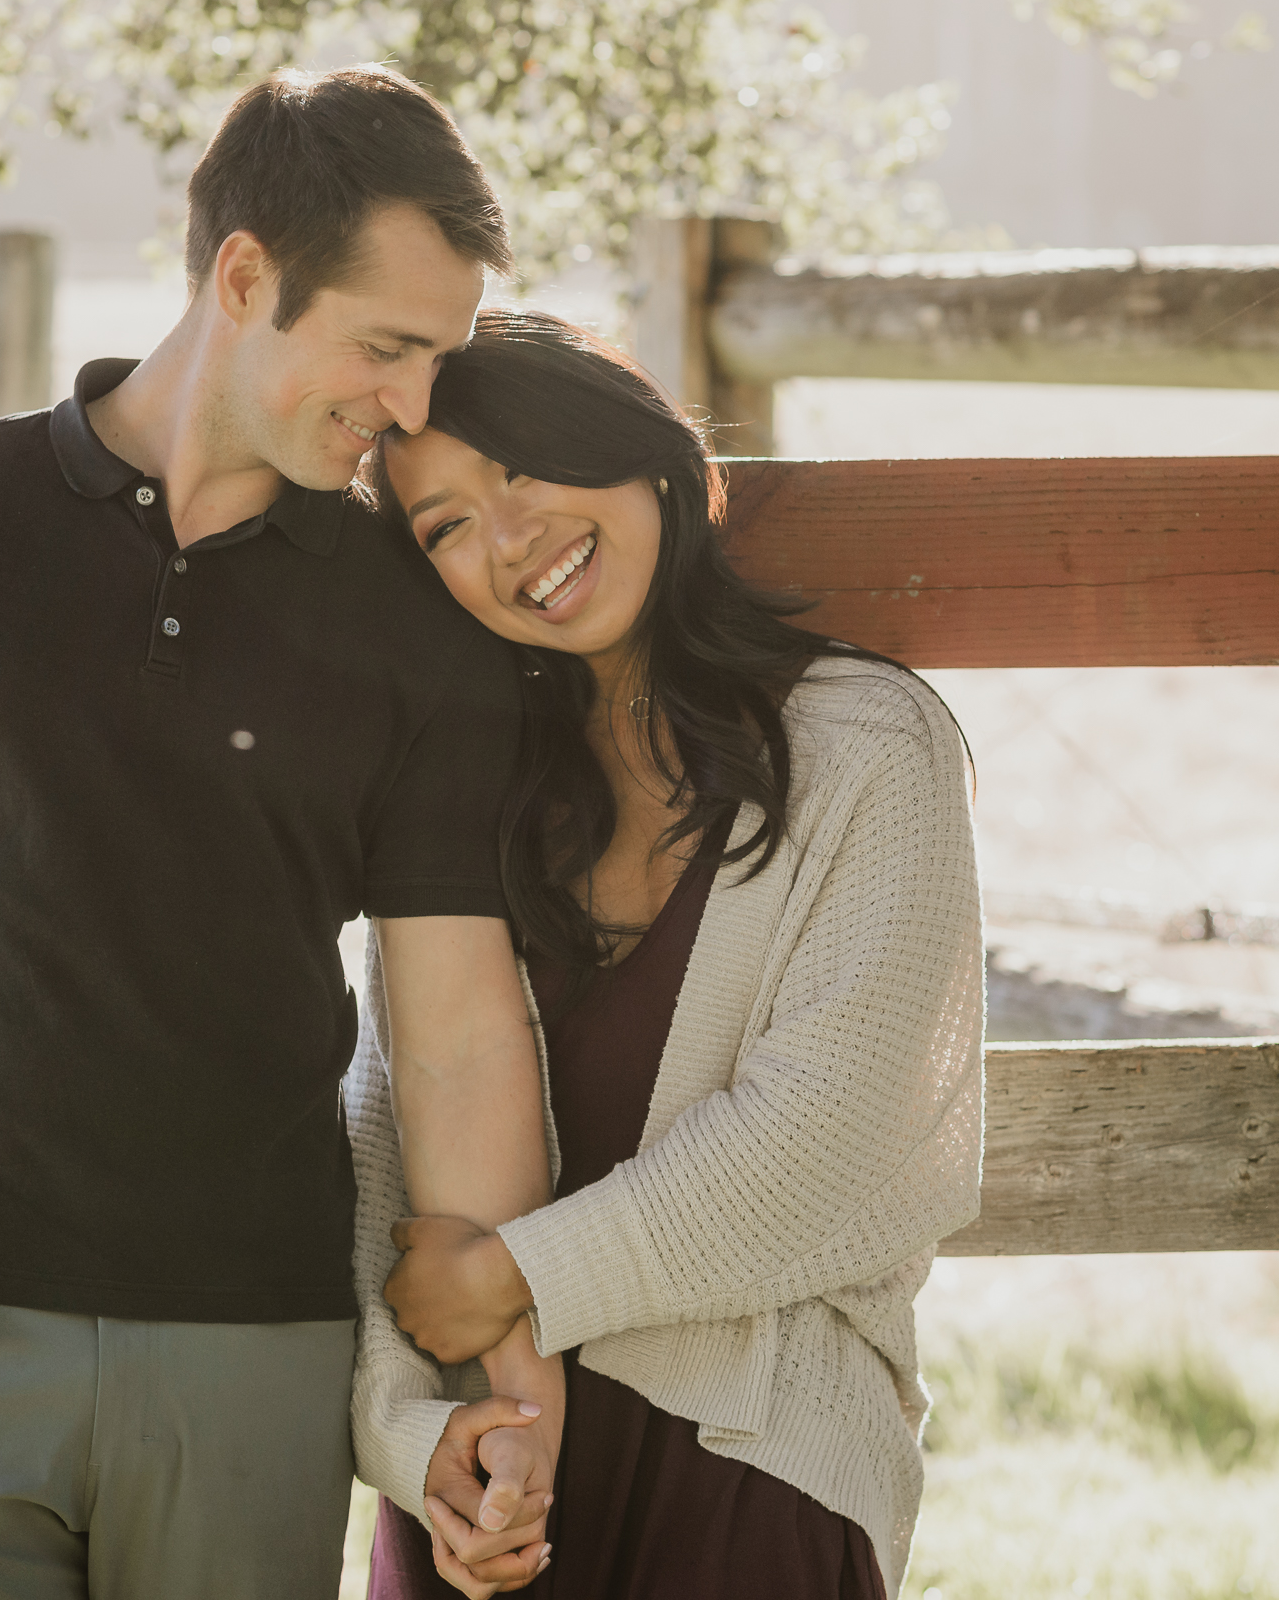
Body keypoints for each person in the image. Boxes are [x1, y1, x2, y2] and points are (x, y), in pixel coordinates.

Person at [0, 67, 563, 1600]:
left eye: (436, 359)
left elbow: (451, 1023)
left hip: (258, 1350)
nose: (413, 408)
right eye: (387, 348)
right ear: (244, 275)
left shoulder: (416, 627)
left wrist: (498, 1351)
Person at [346, 310, 985, 1599]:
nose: (510, 539)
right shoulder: (460, 788)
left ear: (645, 459)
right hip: (485, 1480)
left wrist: (519, 1278)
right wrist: (411, 1440)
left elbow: (823, 1138)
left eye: (523, 472)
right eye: (448, 526)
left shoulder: (869, 748)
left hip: (750, 1459)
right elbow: (380, 1140)